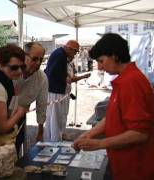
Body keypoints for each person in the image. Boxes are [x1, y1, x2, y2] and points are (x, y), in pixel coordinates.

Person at [74, 33, 154, 180]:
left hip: (135, 167)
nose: (100, 66)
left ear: (115, 56)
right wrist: (90, 134)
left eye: (101, 61)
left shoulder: (132, 82)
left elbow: (140, 133)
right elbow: (112, 116)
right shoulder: (124, 80)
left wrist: (100, 143)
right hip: (122, 163)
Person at [0, 44, 27, 146]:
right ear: (1, 65)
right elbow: (2, 127)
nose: (20, 71)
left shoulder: (5, 79)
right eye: (14, 67)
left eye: (22, 66)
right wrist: (20, 112)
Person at [14, 42, 48, 155]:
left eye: (41, 59)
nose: (38, 63)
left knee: (15, 150)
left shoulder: (42, 78)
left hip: (19, 119)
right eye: (34, 59)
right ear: (24, 56)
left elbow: (42, 105)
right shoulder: (12, 72)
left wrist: (40, 130)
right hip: (0, 117)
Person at [43, 40, 81, 141]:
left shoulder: (61, 55)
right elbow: (52, 73)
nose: (75, 54)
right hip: (55, 91)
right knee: (56, 117)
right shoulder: (60, 55)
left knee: (58, 116)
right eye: (75, 51)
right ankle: (55, 139)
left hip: (58, 90)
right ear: (69, 48)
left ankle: (57, 136)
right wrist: (66, 79)